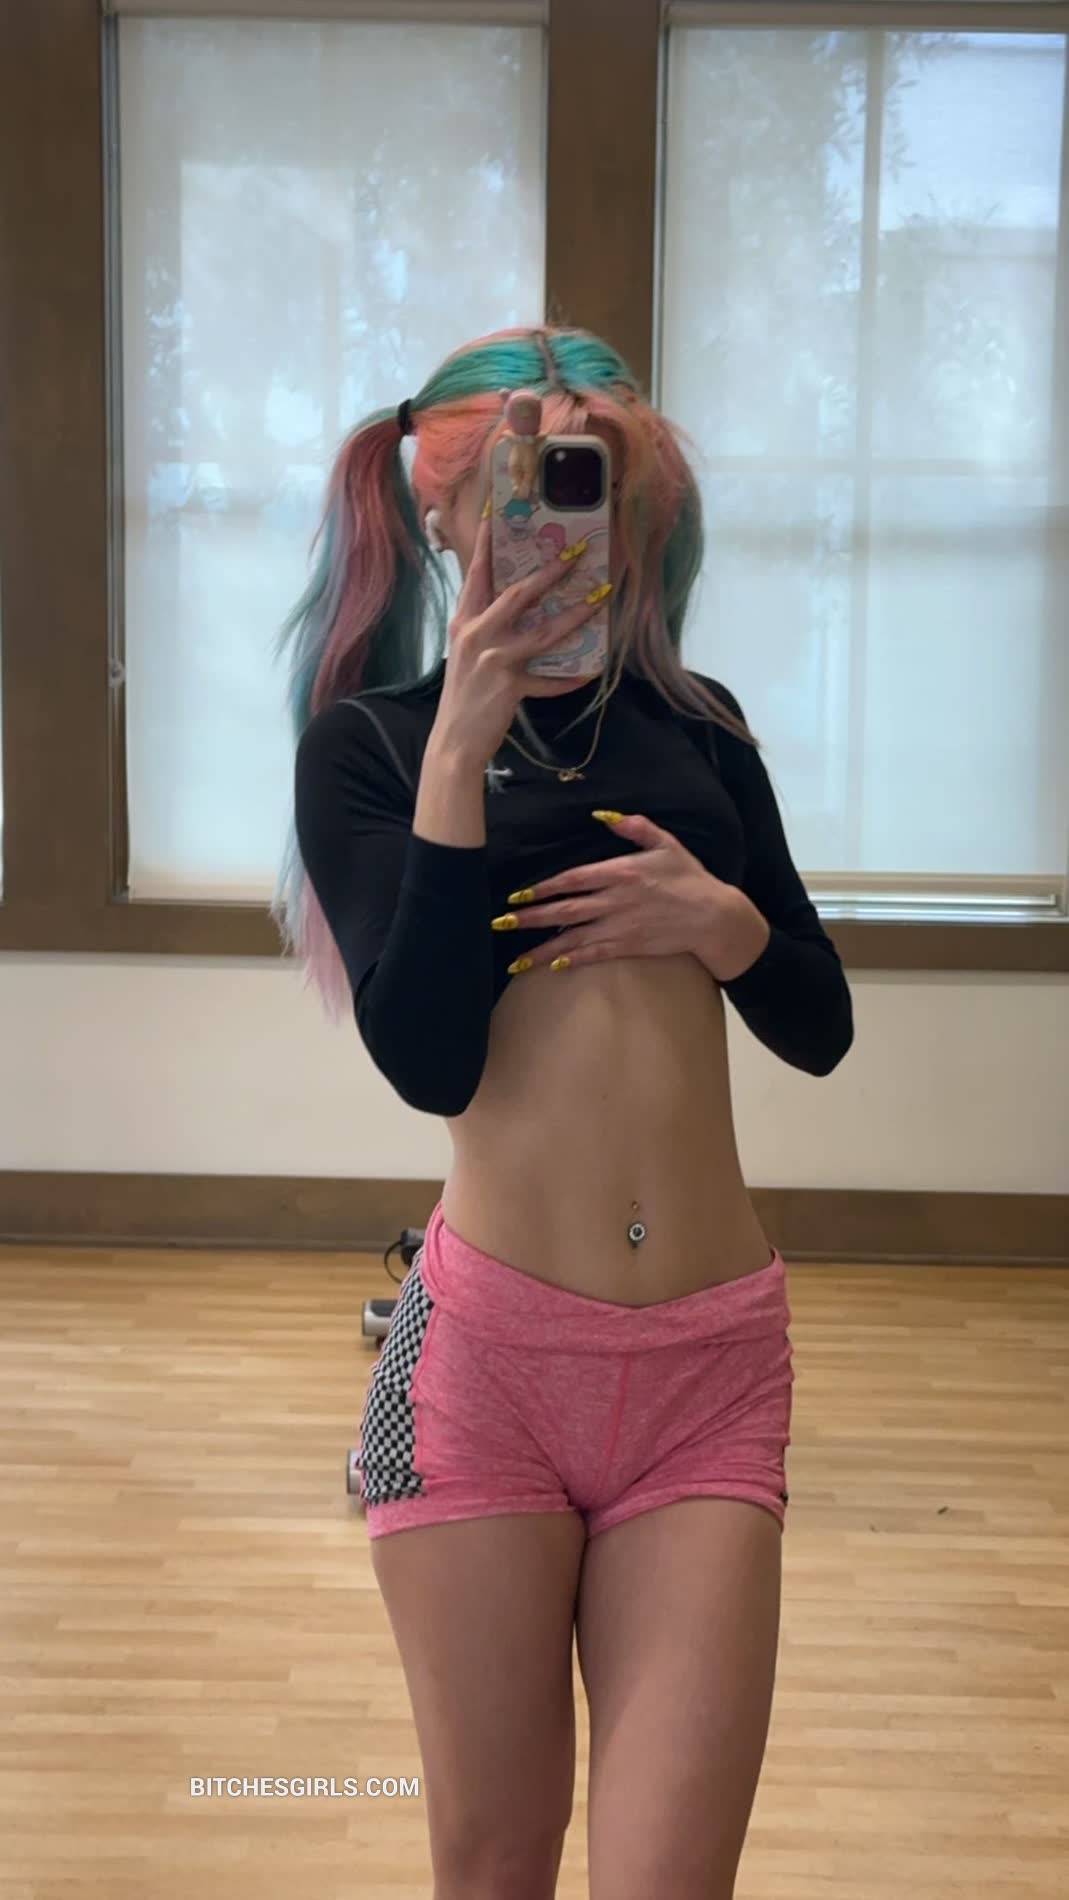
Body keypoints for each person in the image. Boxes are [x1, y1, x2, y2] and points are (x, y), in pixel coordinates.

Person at [274, 325, 853, 1900]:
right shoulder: (369, 750)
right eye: (531, 493)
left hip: (709, 1371)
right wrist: (459, 752)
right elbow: (427, 1060)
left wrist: (721, 923)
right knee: (497, 1861)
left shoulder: (704, 727)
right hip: (488, 1374)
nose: (567, 530)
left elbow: (816, 1024)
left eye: (598, 490)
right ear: (447, 513)